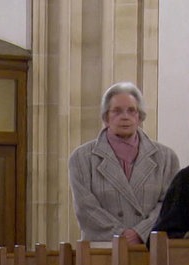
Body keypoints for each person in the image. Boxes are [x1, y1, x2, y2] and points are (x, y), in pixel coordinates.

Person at [69, 81, 179, 245]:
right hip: (103, 248)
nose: (125, 117)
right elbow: (85, 208)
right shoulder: (82, 158)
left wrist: (140, 233)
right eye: (117, 111)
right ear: (106, 117)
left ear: (140, 116)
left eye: (131, 111)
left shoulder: (166, 158)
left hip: (149, 247)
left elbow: (169, 205)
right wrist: (120, 235)